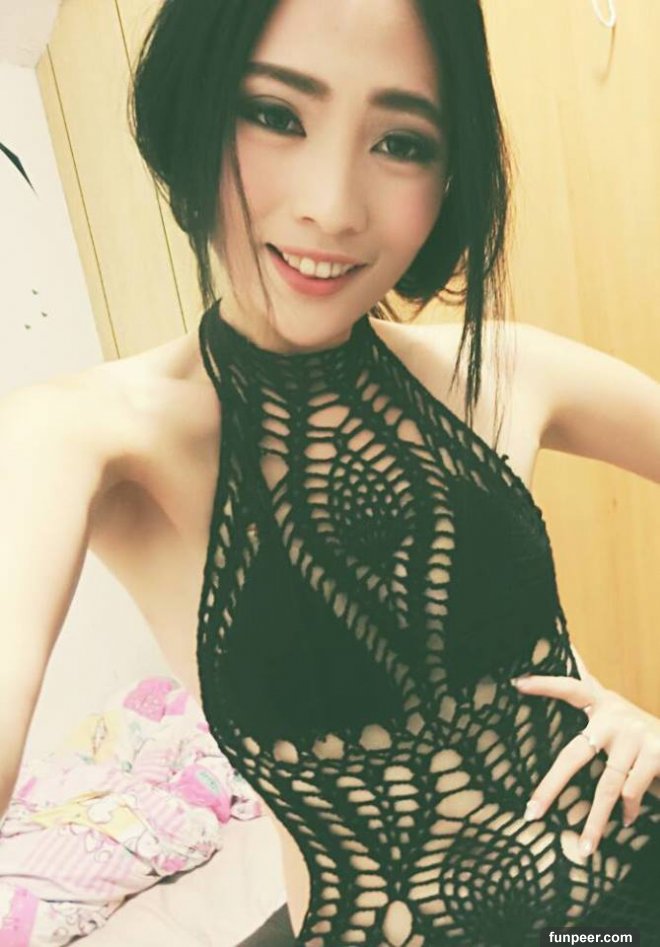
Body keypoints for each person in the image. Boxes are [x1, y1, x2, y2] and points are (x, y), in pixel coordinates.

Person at [1, 1, 659, 945]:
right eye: (275, 115)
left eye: (401, 142)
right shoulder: (82, 435)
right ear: (197, 107)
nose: (334, 206)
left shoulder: (508, 369)